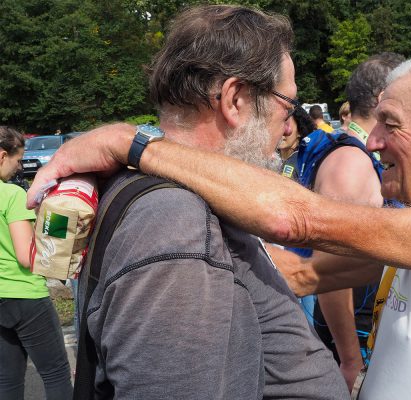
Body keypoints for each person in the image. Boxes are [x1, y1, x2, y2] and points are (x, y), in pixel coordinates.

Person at [29, 52, 411, 399]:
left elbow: (298, 219)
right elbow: (293, 274)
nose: (370, 143)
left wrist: (134, 144)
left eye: (389, 125)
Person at [43, 6, 349, 399]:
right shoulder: (176, 227)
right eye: (285, 105)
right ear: (235, 100)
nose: (288, 125)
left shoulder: (171, 197)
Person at [295, 52, 403, 390]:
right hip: (347, 338)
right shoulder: (351, 163)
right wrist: (349, 357)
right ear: (382, 98)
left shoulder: (348, 150)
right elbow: (331, 273)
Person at [0, 126, 72, 400]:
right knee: (55, 373)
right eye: (17, 161)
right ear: (2, 156)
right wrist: (57, 226)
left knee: (7, 379)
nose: (18, 169)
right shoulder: (11, 195)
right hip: (26, 296)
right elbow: (25, 256)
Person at [279, 107, 315, 181]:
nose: (282, 132)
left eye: (287, 125)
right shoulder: (272, 157)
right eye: (278, 125)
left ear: (300, 131)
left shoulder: (297, 161)